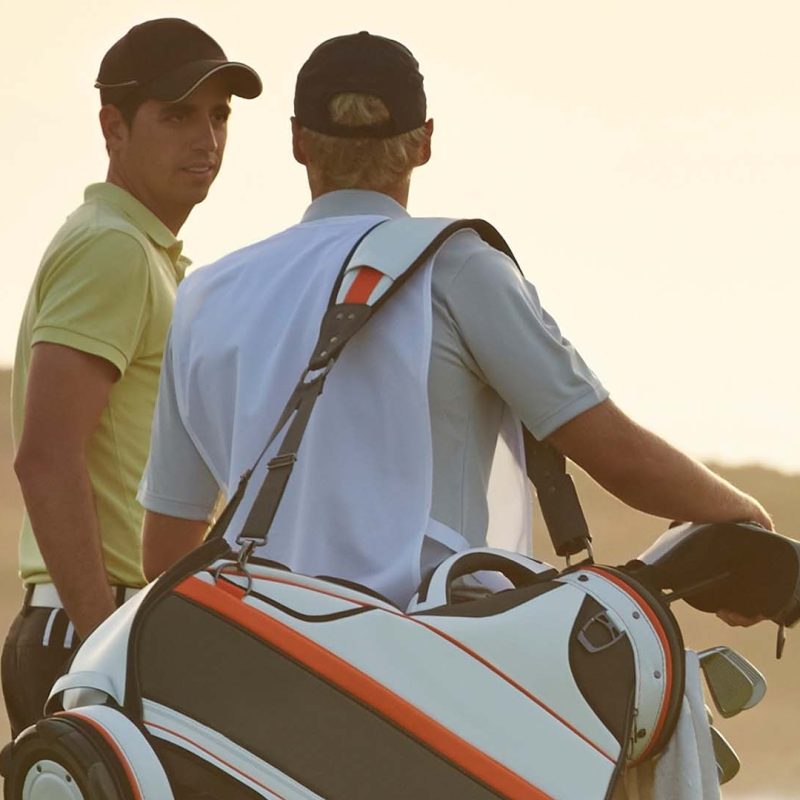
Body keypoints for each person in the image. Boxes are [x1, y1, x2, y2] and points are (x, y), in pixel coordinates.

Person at [139, 32, 771, 613]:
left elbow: (165, 550)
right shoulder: (457, 268)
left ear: (299, 141)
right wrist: (748, 519)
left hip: (269, 673)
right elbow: (619, 458)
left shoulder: (205, 296)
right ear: (424, 141)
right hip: (428, 671)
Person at [2, 18, 262, 738]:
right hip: (90, 635)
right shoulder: (111, 249)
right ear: (112, 126)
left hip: (110, 628)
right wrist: (104, 649)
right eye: (177, 114)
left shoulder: (143, 251)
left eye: (218, 116)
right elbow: (46, 459)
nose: (205, 139)